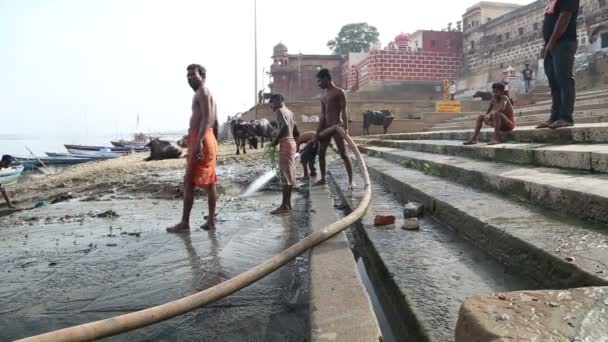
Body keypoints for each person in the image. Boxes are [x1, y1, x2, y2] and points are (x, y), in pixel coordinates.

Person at [167, 64, 218, 233]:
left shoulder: (202, 92)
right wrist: (212, 143)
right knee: (210, 182)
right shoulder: (206, 93)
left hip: (201, 137)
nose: (189, 78)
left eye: (193, 75)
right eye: (187, 75)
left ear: (202, 76)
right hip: (207, 137)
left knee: (188, 181)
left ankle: (185, 223)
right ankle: (210, 220)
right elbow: (215, 121)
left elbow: (207, 118)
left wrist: (199, 142)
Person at [537, 0, 579, 129]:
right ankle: (554, 117)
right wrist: (546, 45)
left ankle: (566, 117)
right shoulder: (552, 2)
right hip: (552, 45)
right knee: (554, 82)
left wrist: (551, 42)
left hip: (564, 43)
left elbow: (564, 19)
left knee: (564, 80)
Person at [313, 68, 354, 189]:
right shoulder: (323, 95)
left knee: (344, 154)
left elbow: (344, 110)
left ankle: (351, 181)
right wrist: (318, 131)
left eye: (319, 81)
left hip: (337, 127)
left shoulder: (339, 92)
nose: (318, 84)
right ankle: (323, 178)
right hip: (326, 128)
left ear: (326, 79)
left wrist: (346, 128)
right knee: (321, 153)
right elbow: (322, 115)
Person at [269, 94, 299, 215]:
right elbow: (296, 130)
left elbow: (285, 126)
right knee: (290, 175)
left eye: (271, 103)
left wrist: (275, 141)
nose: (271, 106)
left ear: (277, 101)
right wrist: (295, 143)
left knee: (285, 176)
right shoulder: (290, 112)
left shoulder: (280, 111)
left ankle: (284, 206)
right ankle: (288, 204)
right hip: (291, 142)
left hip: (285, 143)